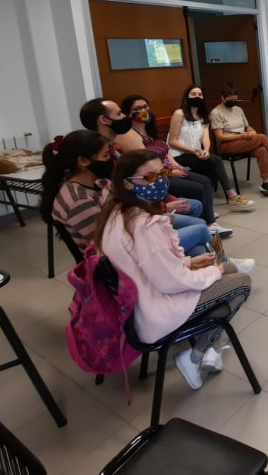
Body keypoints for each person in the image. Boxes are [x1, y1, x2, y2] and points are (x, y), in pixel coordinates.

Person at [94, 150, 254, 390]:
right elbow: (172, 283)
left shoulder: (117, 212)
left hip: (144, 300)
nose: (160, 181)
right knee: (241, 282)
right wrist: (213, 272)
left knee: (226, 265)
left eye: (163, 173)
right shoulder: (145, 225)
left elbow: (146, 266)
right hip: (157, 310)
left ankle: (207, 347)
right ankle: (196, 355)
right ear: (127, 184)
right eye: (149, 177)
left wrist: (190, 263)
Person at [40, 130, 216, 257]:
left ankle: (213, 270)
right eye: (105, 156)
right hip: (122, 254)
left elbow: (122, 206)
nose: (110, 160)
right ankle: (222, 267)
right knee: (200, 229)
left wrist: (154, 214)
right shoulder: (79, 201)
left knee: (198, 248)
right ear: (83, 161)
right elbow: (108, 244)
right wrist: (152, 220)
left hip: (132, 232)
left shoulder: (96, 181)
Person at [117, 95, 228, 237]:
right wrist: (170, 172)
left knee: (205, 180)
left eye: (145, 107)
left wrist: (176, 165)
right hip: (156, 177)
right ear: (127, 113)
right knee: (197, 187)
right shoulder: (130, 134)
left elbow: (165, 152)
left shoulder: (149, 130)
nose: (143, 111)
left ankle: (207, 218)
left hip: (167, 169)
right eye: (137, 109)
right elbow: (145, 164)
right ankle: (208, 223)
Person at [168, 85, 255, 211]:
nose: (197, 97)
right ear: (187, 96)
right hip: (178, 155)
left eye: (200, 94)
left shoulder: (203, 115)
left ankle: (205, 205)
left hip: (195, 154)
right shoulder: (179, 113)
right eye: (193, 94)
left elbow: (205, 138)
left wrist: (206, 150)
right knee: (216, 161)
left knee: (211, 166)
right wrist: (193, 150)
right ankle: (232, 196)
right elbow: (172, 141)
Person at [209, 84, 268, 197]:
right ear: (222, 97)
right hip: (226, 144)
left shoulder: (238, 109)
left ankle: (266, 182)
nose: (233, 102)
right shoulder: (216, 113)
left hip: (243, 141)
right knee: (261, 138)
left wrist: (252, 132)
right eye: (230, 100)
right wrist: (241, 136)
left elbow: (247, 126)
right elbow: (220, 137)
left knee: (261, 150)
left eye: (235, 100)